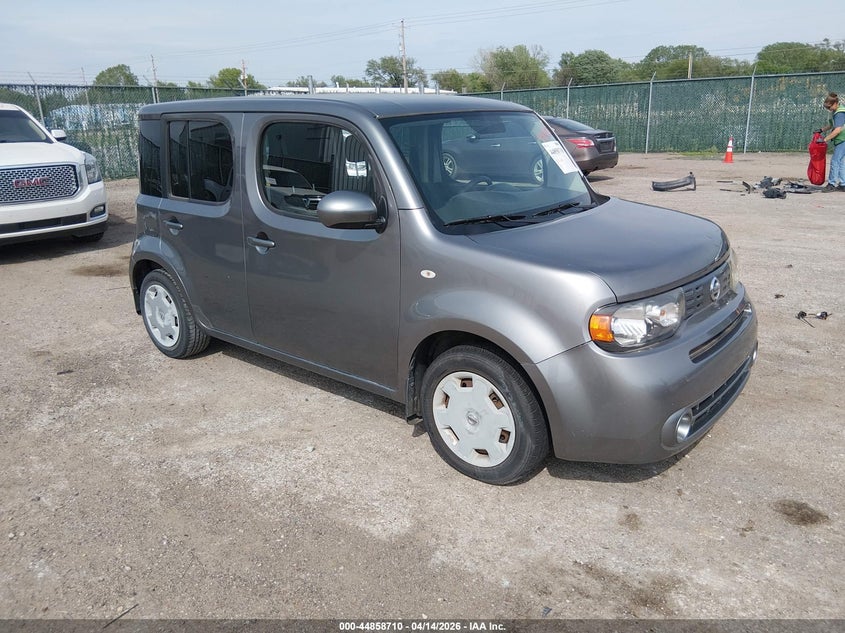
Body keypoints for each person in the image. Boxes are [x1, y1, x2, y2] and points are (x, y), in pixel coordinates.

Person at [820, 92, 845, 191]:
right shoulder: (836, 112)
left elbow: (837, 129)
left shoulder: (839, 113)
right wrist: (821, 130)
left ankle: (831, 184)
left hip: (843, 139)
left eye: (829, 107)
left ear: (835, 103)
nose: (828, 109)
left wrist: (825, 139)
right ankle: (843, 184)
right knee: (841, 162)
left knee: (835, 161)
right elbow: (831, 125)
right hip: (842, 139)